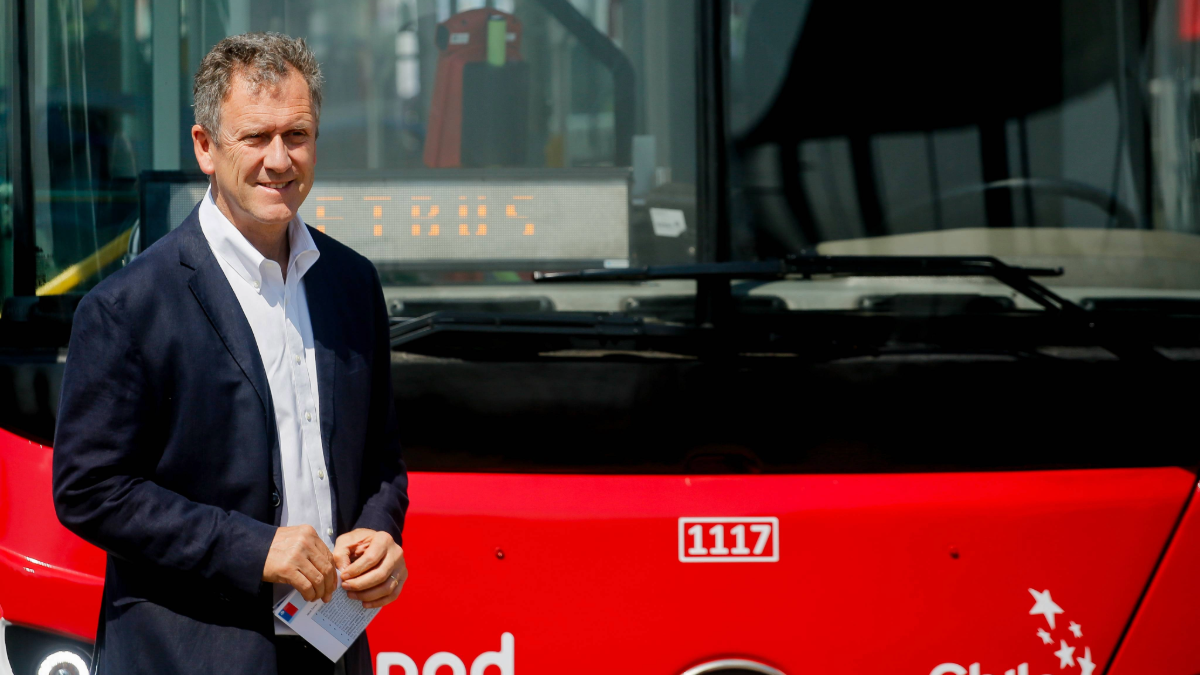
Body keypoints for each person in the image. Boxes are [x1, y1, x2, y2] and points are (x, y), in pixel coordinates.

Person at [52, 32, 408, 675]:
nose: (279, 159)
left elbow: (380, 457)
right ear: (205, 147)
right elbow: (90, 490)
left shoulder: (353, 283)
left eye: (296, 135)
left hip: (334, 650)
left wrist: (382, 531)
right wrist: (253, 549)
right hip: (189, 656)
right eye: (255, 137)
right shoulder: (127, 307)